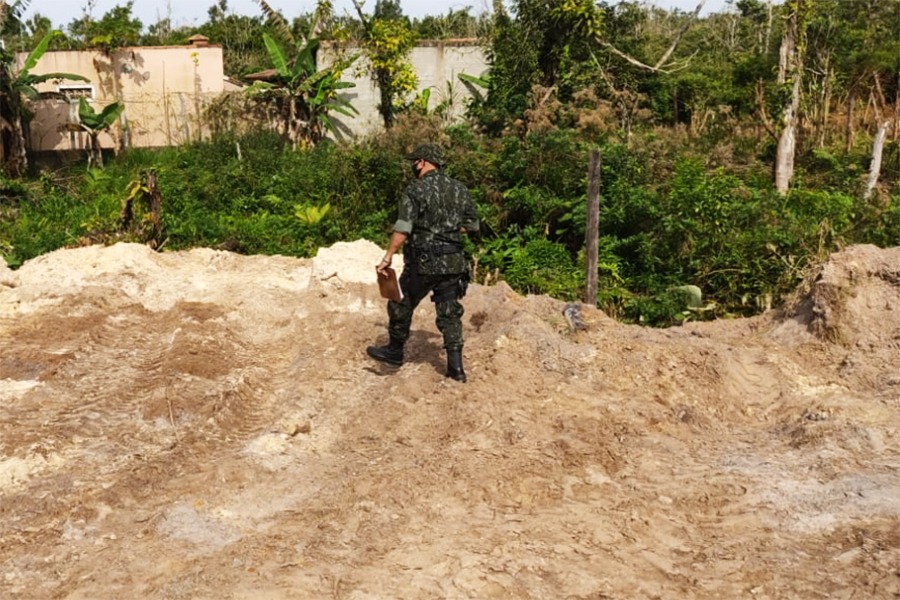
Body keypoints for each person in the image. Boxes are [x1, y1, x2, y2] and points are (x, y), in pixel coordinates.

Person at [366, 143, 479, 382]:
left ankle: (395, 351)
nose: (413, 166)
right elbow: (471, 225)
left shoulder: (415, 190)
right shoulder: (459, 189)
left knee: (400, 302)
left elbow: (403, 228)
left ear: (424, 162)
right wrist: (446, 232)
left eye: (414, 161)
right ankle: (456, 369)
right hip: (454, 261)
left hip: (424, 262)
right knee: (449, 312)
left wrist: (387, 256)